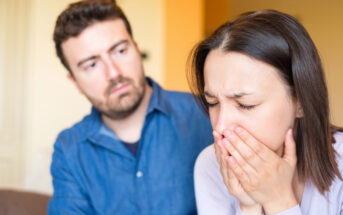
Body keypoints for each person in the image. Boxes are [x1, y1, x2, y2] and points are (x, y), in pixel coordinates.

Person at [48, 0, 213, 214]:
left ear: (136, 48)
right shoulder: (69, 149)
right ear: (75, 82)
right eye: (92, 64)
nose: (114, 73)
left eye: (119, 51)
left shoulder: (206, 113)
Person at [188, 9, 343, 215]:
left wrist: (279, 201)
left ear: (301, 102)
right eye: (213, 102)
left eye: (246, 105)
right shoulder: (210, 165)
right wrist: (249, 206)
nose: (220, 126)